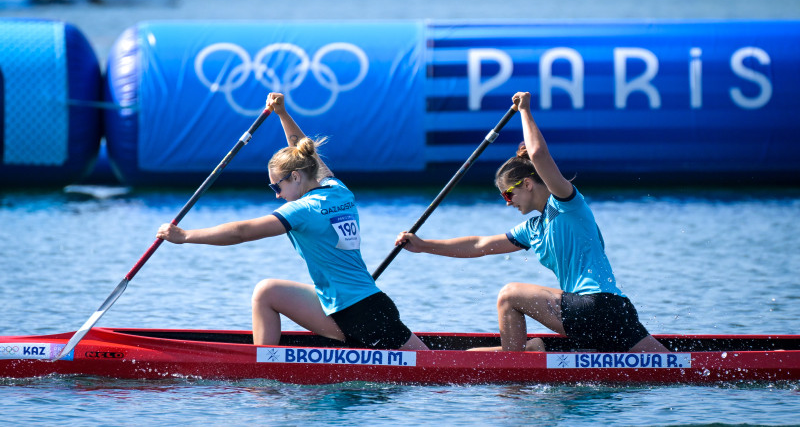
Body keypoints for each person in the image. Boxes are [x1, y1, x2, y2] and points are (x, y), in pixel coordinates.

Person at [395, 91, 669, 353]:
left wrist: (524, 110)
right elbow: (479, 245)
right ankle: (531, 351)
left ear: (527, 184)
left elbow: (538, 155)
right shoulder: (532, 229)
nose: (507, 202)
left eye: (507, 194)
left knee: (509, 295)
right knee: (673, 366)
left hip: (595, 306)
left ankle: (511, 369)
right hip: (614, 313)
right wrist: (422, 245)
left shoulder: (565, 204)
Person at [158, 93, 428, 351]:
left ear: (296, 177)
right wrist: (282, 113)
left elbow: (241, 233)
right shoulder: (338, 189)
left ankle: (262, 367)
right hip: (362, 305)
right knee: (267, 291)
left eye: (277, 186)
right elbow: (304, 151)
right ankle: (264, 360)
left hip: (358, 314)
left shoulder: (302, 210)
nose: (277, 195)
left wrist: (185, 236)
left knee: (434, 366)